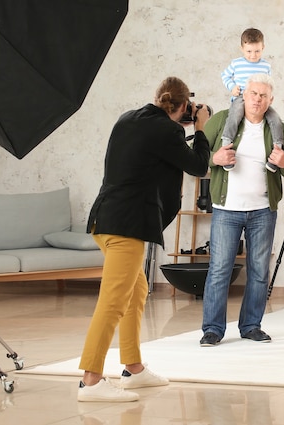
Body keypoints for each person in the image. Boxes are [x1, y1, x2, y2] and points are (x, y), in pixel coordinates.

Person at [78, 77, 210, 402]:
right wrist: (201, 127)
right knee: (112, 302)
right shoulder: (169, 131)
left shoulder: (127, 119)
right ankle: (90, 381)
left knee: (136, 291)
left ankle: (133, 368)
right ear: (182, 107)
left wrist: (183, 124)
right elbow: (198, 165)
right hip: (127, 227)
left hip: (103, 219)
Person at [199, 73, 284, 347]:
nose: (258, 99)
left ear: (270, 100)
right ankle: (213, 330)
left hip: (263, 210)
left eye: (263, 95)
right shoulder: (221, 121)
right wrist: (214, 159)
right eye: (253, 94)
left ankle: (251, 326)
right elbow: (193, 157)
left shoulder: (278, 129)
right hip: (226, 210)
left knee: (259, 271)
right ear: (244, 95)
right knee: (219, 270)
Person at [220, 27, 284, 173]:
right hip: (241, 97)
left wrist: (266, 97)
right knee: (235, 114)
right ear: (242, 48)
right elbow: (225, 75)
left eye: (257, 51)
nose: (253, 55)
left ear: (263, 48)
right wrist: (232, 87)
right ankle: (226, 143)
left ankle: (277, 149)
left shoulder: (266, 65)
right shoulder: (237, 63)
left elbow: (268, 84)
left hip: (261, 100)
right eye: (249, 51)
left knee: (275, 119)